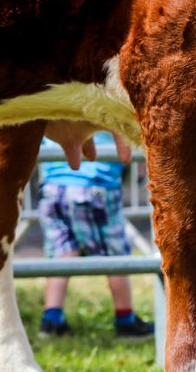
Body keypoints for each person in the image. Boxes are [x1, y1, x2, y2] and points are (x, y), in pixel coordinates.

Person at [33, 130, 155, 338]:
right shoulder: (101, 105)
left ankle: (51, 319)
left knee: (62, 253)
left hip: (52, 187)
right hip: (95, 183)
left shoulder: (56, 103)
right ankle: (125, 319)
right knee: (115, 255)